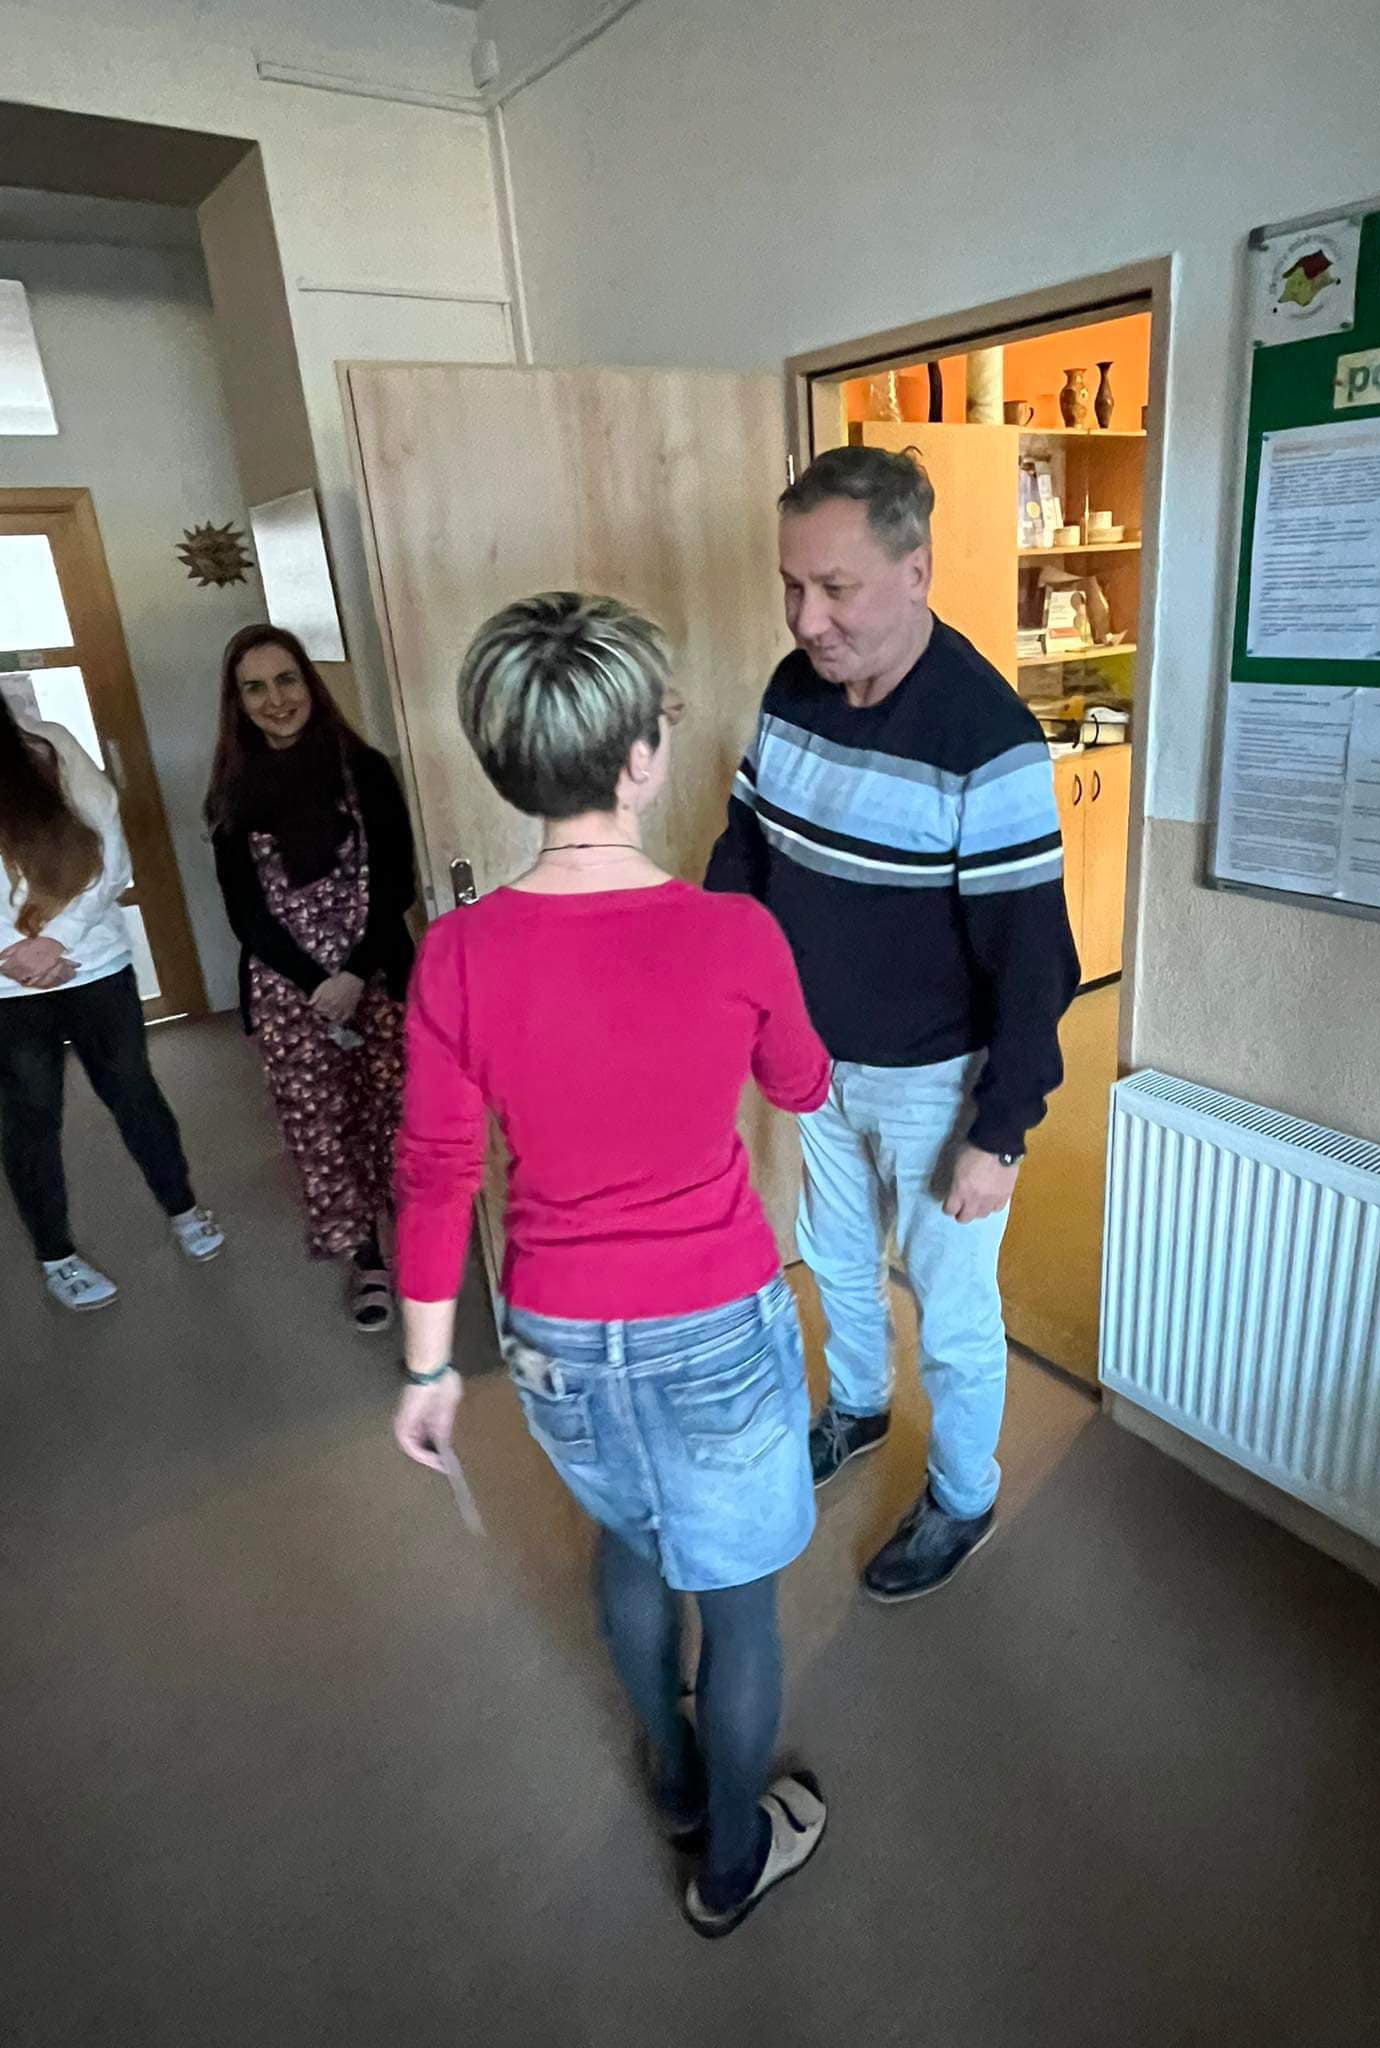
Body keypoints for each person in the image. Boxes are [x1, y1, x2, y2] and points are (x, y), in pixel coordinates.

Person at [392, 592, 831, 1938]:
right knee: (739, 1606)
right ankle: (731, 1863)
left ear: (507, 764)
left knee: (632, 1538)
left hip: (557, 1333)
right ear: (642, 756)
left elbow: (435, 1171)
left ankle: (679, 1780)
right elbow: (802, 1085)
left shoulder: (457, 952)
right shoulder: (735, 932)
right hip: (713, 1319)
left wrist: (427, 1371)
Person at [707, 443, 1079, 1603]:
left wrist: (1000, 1132)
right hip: (816, 1060)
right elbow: (745, 850)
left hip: (937, 1082)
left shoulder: (986, 738)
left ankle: (964, 1494)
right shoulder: (791, 690)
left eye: (836, 587)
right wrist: (715, 985)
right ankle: (860, 1407)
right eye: (791, 585)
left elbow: (1036, 964)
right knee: (833, 1258)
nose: (806, 618)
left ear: (915, 570)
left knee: (953, 1310)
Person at [207, 626, 415, 1331]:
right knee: (322, 1126)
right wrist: (316, 983)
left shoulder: (366, 770)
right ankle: (366, 1258)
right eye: (255, 688)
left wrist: (353, 973)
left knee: (396, 1112)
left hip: (375, 971)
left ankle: (420, 1240)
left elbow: (396, 883)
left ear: (309, 683)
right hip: (290, 990)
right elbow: (246, 913)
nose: (275, 700)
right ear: (238, 702)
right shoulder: (231, 795)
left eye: (286, 679)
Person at [0, 692, 223, 1309]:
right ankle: (56, 1256)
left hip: (93, 965)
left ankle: (183, 1208)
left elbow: (110, 853)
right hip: (6, 987)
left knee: (134, 1093)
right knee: (29, 1120)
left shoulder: (47, 745)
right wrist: (14, 956)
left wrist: (57, 940)